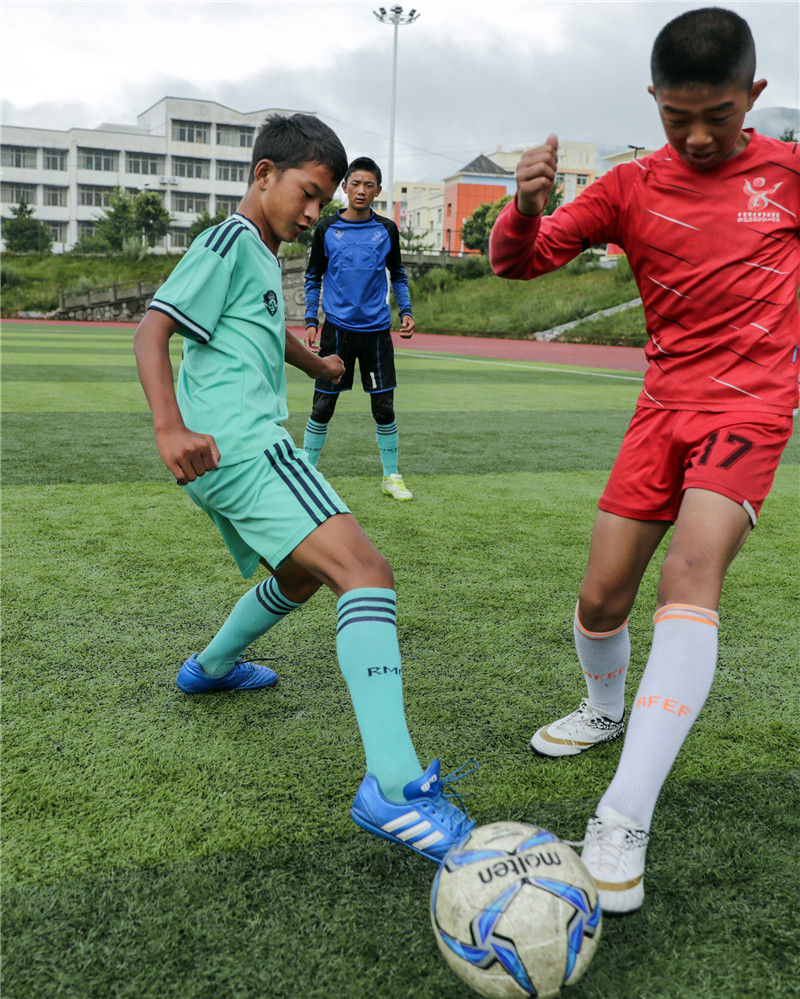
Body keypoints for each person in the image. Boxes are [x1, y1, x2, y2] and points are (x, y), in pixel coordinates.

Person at [490, 7, 798, 913]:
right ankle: (602, 706)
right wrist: (524, 207)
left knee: (689, 579)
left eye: (718, 116)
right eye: (677, 117)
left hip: (750, 409)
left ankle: (623, 814)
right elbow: (520, 263)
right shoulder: (630, 186)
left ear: (754, 96)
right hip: (660, 412)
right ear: (654, 100)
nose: (698, 137)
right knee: (601, 600)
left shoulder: (788, 176)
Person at [133, 114, 473, 861]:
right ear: (264, 175)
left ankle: (210, 668)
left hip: (228, 456)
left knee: (300, 575)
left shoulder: (259, 252)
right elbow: (153, 329)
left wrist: (314, 364)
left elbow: (256, 328)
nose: (315, 210)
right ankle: (394, 787)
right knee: (366, 572)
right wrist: (167, 427)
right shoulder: (228, 240)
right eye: (309, 193)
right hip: (244, 449)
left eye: (325, 199)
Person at [302, 156, 416, 501]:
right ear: (345, 187)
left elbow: (398, 274)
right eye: (356, 184)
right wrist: (311, 321)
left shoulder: (387, 230)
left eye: (369, 185)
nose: (362, 190)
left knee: (383, 407)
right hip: (336, 332)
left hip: (377, 333)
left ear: (378, 190)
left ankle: (391, 476)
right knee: (323, 406)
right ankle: (306, 475)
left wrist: (406, 310)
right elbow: (313, 277)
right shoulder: (326, 229)